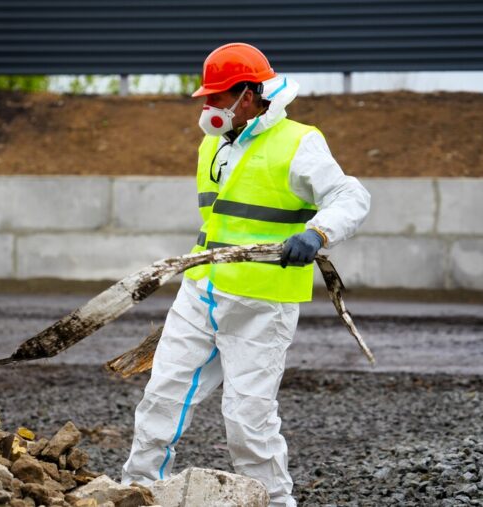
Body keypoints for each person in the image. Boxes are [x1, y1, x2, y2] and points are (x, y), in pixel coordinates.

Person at [121, 43, 371, 506]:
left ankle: (275, 502)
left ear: (250, 95)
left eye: (216, 97)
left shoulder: (298, 142)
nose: (208, 107)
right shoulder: (214, 143)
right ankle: (138, 492)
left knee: (247, 419)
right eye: (207, 97)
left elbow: (351, 196)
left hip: (262, 304)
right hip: (201, 293)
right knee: (161, 400)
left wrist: (317, 233)